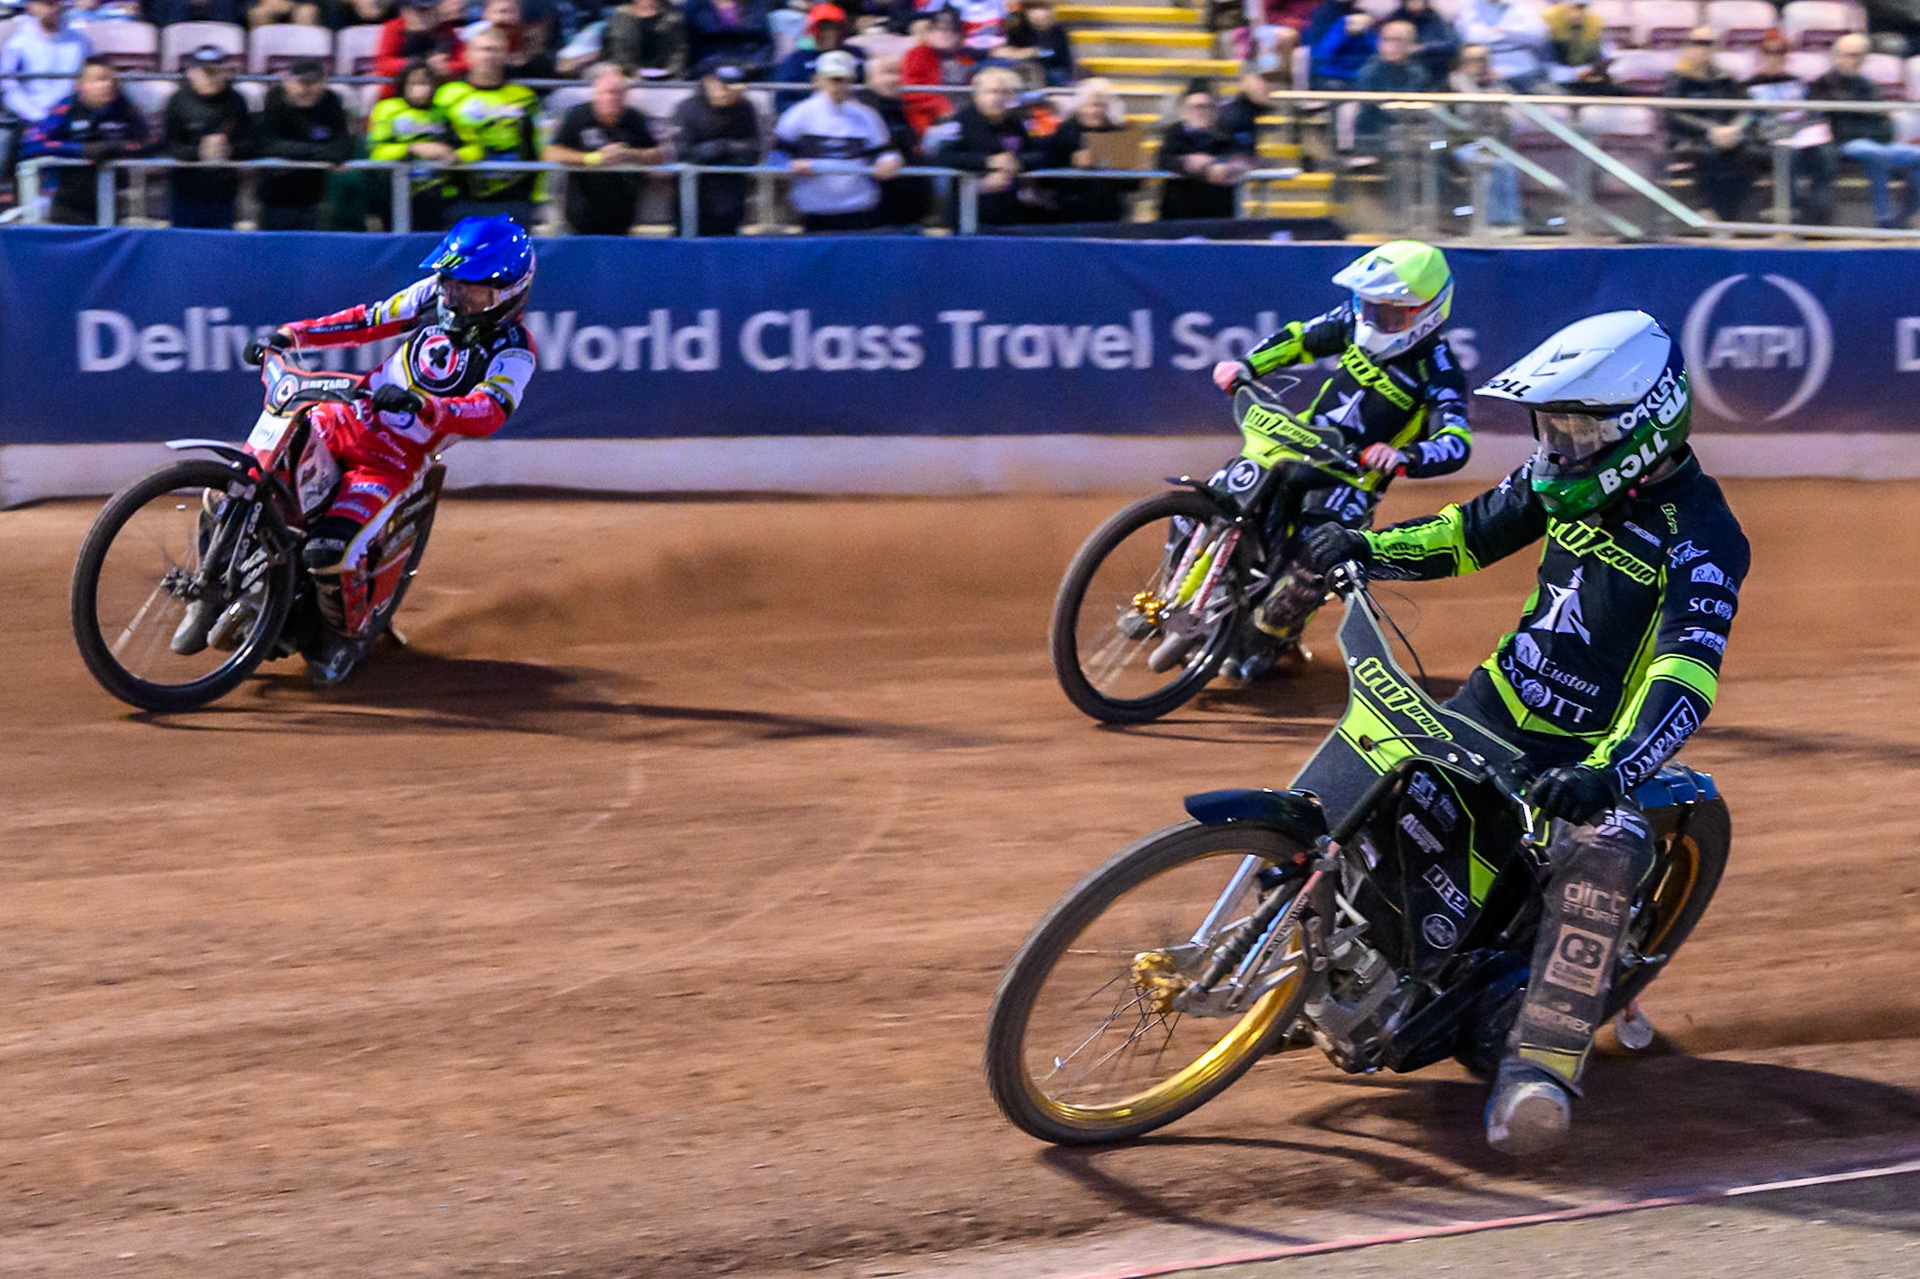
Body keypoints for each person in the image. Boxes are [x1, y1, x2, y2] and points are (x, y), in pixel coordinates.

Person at [1302, 310, 1748, 1156]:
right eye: (1551, 424)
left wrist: (1612, 773)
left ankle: (1538, 1072)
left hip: (1587, 761)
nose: (1557, 444)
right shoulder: (1556, 479)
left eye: (1576, 427)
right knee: (1365, 793)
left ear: (1640, 425)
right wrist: (1365, 548)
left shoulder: (1705, 538)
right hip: (1489, 705)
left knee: (1605, 849)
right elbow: (1466, 534)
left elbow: (1687, 675)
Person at [233, 217, 539, 685]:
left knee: (329, 552)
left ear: (509, 293)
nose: (456, 299)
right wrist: (294, 335)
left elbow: (489, 410)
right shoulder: (432, 296)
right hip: (337, 419)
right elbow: (367, 320)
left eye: (471, 292)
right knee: (246, 480)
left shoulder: (515, 351)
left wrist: (428, 406)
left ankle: (349, 635)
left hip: (390, 463)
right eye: (452, 285)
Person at [1204, 239, 1470, 675]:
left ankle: (1271, 638)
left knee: (1313, 560)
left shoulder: (1439, 373)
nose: (1369, 318)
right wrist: (1248, 365)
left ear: (1425, 313)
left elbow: (1456, 442)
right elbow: (1300, 340)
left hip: (1353, 480)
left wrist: (1403, 455)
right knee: (1219, 493)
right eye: (1365, 306)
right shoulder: (1352, 320)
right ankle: (1182, 583)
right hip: (1298, 443)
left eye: (1385, 312)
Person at [772, 48, 901, 231]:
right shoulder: (798, 115)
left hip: (859, 206)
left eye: (843, 80)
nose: (837, 86)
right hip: (813, 209)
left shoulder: (866, 116)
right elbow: (776, 156)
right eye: (832, 79)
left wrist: (889, 162)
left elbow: (886, 152)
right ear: (818, 80)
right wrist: (790, 165)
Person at [19, 56, 149, 223]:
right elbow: (31, 146)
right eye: (98, 80)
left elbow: (149, 143)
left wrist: (119, 148)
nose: (106, 85)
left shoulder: (126, 109)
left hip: (115, 200)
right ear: (81, 85)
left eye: (110, 80)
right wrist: (80, 150)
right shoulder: (66, 108)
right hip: (69, 203)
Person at [1812, 33, 1920, 229]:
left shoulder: (1869, 86)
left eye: (1860, 56)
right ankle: (1883, 218)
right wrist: (1866, 124)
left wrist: (1862, 124)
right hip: (1843, 144)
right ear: (1836, 56)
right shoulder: (1822, 85)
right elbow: (1837, 128)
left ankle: (1905, 216)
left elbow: (1885, 127)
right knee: (1873, 152)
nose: (1856, 61)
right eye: (1851, 55)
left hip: (1876, 142)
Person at [544, 61, 664, 235]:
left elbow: (659, 155)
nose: (611, 98)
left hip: (623, 217)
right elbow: (551, 153)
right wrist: (594, 158)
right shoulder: (578, 115)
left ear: (624, 96)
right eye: (606, 93)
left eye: (617, 93)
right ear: (595, 94)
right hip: (580, 215)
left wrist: (629, 155)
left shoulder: (636, 119)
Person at [436, 25, 539, 224]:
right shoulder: (447, 95)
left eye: (495, 50)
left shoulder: (525, 97)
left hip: (515, 202)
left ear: (505, 54)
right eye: (482, 49)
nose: (488, 56)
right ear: (468, 55)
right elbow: (434, 137)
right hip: (461, 201)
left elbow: (537, 146)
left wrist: (537, 199)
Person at [1663, 27, 1758, 223]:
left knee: (1752, 153)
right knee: (1711, 155)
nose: (1703, 49)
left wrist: (1736, 128)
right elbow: (1674, 114)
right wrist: (1710, 130)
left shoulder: (1725, 78)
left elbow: (1747, 109)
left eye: (1708, 44)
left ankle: (1730, 217)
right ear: (1687, 47)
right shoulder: (1677, 79)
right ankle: (1708, 211)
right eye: (1698, 43)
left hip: (1728, 136)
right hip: (1690, 137)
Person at [933, 63, 1043, 226]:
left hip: (1010, 212)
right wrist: (988, 162)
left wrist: (1016, 163)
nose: (997, 98)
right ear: (977, 95)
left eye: (1005, 92)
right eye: (991, 92)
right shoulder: (960, 121)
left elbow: (1041, 154)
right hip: (966, 212)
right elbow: (944, 157)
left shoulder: (1016, 122)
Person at [160, 45, 257, 228]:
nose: (211, 78)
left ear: (225, 72)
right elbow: (168, 145)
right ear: (191, 73)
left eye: (216, 72)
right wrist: (199, 152)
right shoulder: (178, 101)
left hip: (224, 193)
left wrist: (229, 150)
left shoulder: (236, 101)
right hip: (185, 191)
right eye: (206, 72)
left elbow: (251, 143)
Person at [2, 0, 92, 186]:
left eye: (54, 3)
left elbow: (90, 77)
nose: (51, 8)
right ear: (31, 6)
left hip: (70, 117)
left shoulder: (81, 42)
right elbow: (9, 87)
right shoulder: (18, 43)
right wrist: (35, 114)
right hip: (28, 118)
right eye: (45, 3)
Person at [256, 57, 353, 230]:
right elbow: (267, 145)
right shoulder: (274, 101)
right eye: (301, 82)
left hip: (313, 197)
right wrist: (320, 152)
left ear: (323, 83)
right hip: (275, 197)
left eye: (313, 83)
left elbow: (343, 148)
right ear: (287, 82)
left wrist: (292, 153)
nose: (307, 89)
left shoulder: (330, 102)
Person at [671, 61, 763, 235]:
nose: (730, 90)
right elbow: (684, 154)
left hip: (731, 200)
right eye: (724, 84)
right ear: (708, 81)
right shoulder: (688, 109)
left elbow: (754, 152)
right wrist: (723, 147)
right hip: (693, 201)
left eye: (734, 85)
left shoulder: (746, 109)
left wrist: (723, 148)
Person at [366, 60, 458, 230]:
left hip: (437, 197)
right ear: (403, 84)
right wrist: (412, 148)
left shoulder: (442, 112)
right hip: (396, 195)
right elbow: (377, 153)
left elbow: (463, 147)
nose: (422, 89)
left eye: (426, 83)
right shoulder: (388, 109)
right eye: (415, 83)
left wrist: (456, 155)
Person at [1038, 75, 1133, 223]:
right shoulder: (1064, 132)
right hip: (1070, 209)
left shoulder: (1120, 132)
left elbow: (1132, 184)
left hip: (1109, 211)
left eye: (1101, 105)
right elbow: (1046, 174)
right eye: (1091, 105)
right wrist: (1072, 163)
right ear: (1079, 106)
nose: (1095, 111)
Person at [1449, 42, 1521, 228]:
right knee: (1490, 168)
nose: (1478, 65)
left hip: (1494, 145)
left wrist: (1497, 89)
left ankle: (1508, 223)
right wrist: (1472, 88)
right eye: (1472, 60)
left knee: (1508, 165)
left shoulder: (1498, 85)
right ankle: (1488, 224)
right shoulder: (1452, 85)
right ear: (1462, 62)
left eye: (1482, 60)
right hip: (1459, 145)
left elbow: (1516, 118)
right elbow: (1464, 119)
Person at [858, 50, 932, 228]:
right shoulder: (862, 112)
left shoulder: (899, 109)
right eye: (887, 73)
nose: (895, 79)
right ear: (869, 79)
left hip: (909, 211)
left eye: (898, 72)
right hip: (878, 213)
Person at [1156, 82, 1249, 220]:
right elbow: (1163, 159)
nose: (1201, 112)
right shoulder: (1174, 133)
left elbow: (1239, 156)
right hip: (1179, 212)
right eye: (1196, 107)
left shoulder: (1226, 132)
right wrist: (1186, 163)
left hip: (1218, 214)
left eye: (1207, 107)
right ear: (1184, 110)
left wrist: (1217, 163)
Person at [1353, 18, 1427, 153]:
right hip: (1377, 139)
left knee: (1442, 145)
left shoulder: (1418, 71)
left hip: (1415, 136)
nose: (1392, 46)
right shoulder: (1369, 73)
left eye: (1398, 40)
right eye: (1387, 40)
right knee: (1407, 148)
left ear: (1412, 45)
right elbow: (1372, 113)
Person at [773, 4, 865, 111]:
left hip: (855, 115)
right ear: (813, 31)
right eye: (823, 28)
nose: (830, 33)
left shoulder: (858, 55)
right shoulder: (797, 60)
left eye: (834, 27)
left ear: (844, 30)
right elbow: (783, 100)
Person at [901, 8, 976, 135]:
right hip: (931, 121)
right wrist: (943, 107)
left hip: (964, 116)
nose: (945, 34)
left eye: (952, 30)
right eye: (938, 29)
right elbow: (912, 91)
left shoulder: (966, 59)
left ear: (960, 36)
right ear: (929, 32)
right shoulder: (918, 53)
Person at [1453, 0, 1546, 92]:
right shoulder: (1468, 7)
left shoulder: (1522, 7)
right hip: (1485, 77)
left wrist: (1505, 32)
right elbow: (1469, 38)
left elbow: (1539, 38)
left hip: (1526, 73)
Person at [376, 0, 467, 80]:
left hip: (436, 84)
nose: (424, 16)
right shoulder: (395, 27)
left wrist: (446, 66)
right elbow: (383, 64)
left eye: (429, 9)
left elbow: (464, 63)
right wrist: (421, 63)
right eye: (419, 10)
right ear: (405, 11)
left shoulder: (445, 30)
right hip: (400, 85)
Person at [684, 0, 775, 77]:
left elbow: (765, 42)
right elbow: (690, 44)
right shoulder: (696, 5)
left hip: (752, 70)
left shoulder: (754, 3)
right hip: (708, 70)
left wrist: (755, 65)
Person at [601, 0, 689, 78]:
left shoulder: (673, 19)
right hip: (625, 71)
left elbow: (678, 51)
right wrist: (631, 72)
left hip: (664, 74)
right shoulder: (622, 17)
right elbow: (617, 50)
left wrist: (672, 72)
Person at [1001, 0, 1072, 87]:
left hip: (1052, 71)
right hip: (1022, 68)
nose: (1040, 13)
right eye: (1033, 9)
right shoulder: (1018, 28)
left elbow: (1060, 58)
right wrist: (1028, 53)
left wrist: (1037, 52)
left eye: (1044, 9)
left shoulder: (1057, 31)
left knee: (1055, 75)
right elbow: (1006, 51)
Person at [1390, 0, 1456, 87]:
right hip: (1402, 62)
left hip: (1429, 62)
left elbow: (1450, 44)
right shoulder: (1397, 17)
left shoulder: (1434, 17)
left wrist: (1423, 47)